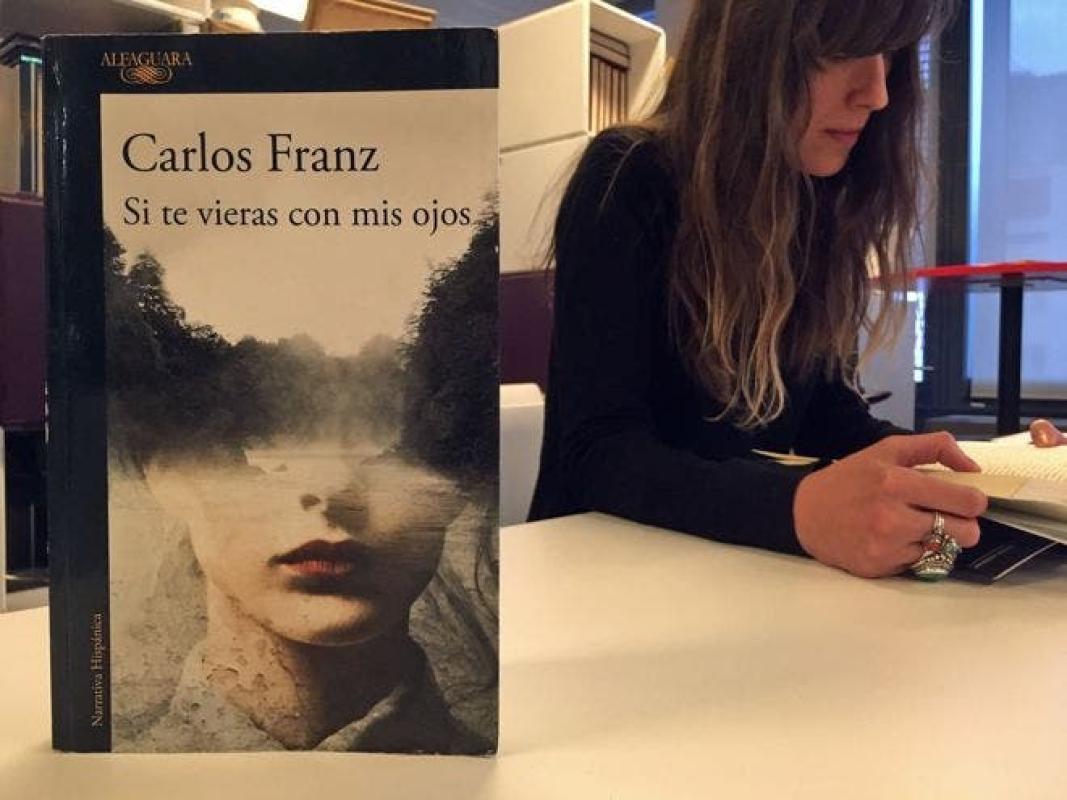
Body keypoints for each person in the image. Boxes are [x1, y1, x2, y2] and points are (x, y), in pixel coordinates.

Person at [530, 0, 998, 579]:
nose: (877, 93)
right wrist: (797, 509)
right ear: (746, 53)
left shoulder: (813, 196)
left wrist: (981, 477)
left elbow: (824, 415)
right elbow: (597, 455)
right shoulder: (628, 175)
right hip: (595, 579)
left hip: (725, 576)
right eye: (841, 50)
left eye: (888, 51)